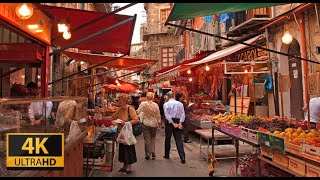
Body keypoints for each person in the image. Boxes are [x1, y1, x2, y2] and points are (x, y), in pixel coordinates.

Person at [112, 93, 139, 174]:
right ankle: (124, 166)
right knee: (123, 149)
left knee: (129, 148)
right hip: (122, 132)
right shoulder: (120, 109)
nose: (118, 102)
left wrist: (126, 123)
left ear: (124, 101)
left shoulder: (130, 109)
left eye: (119, 100)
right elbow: (113, 117)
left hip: (128, 132)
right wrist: (100, 117)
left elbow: (136, 119)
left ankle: (129, 167)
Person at [136, 92, 161, 160]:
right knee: (153, 138)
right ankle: (153, 151)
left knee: (147, 138)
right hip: (154, 123)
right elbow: (158, 114)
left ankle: (147, 153)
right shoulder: (155, 105)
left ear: (146, 97)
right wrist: (159, 122)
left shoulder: (143, 104)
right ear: (152, 97)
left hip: (146, 123)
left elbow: (138, 112)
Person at [163, 91, 186, 164]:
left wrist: (173, 123)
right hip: (178, 121)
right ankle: (182, 157)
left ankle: (167, 155)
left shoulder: (166, 104)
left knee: (167, 138)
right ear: (174, 96)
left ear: (168, 97)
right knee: (179, 139)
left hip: (170, 123)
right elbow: (183, 114)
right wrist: (180, 123)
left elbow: (167, 116)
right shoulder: (180, 104)